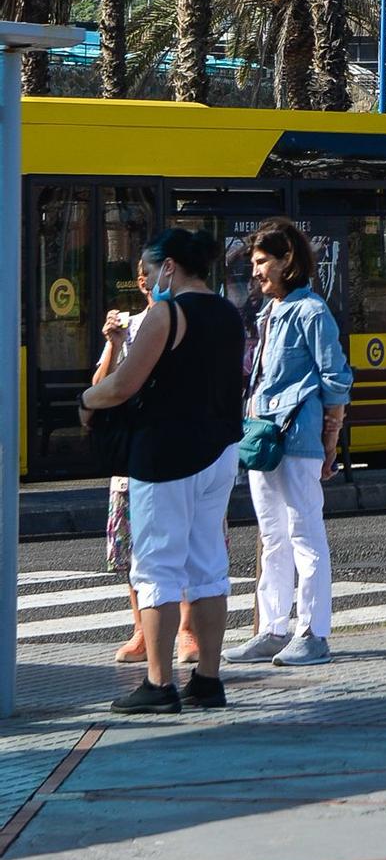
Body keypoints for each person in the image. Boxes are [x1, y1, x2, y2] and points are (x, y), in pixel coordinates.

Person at [80, 228, 245, 715]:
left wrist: (85, 402)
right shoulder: (228, 314)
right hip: (219, 452)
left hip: (167, 455)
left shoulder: (165, 314)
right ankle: (208, 680)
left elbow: (124, 385)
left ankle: (158, 683)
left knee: (156, 569)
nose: (148, 283)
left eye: (150, 272)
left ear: (169, 267)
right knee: (209, 567)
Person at [225, 218, 352, 668]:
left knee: (305, 534)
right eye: (254, 263)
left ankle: (313, 633)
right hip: (264, 437)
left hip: (297, 438)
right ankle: (272, 629)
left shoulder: (310, 311)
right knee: (273, 536)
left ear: (287, 261)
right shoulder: (269, 311)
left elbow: (335, 378)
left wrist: (331, 441)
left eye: (263, 262)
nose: (255, 271)